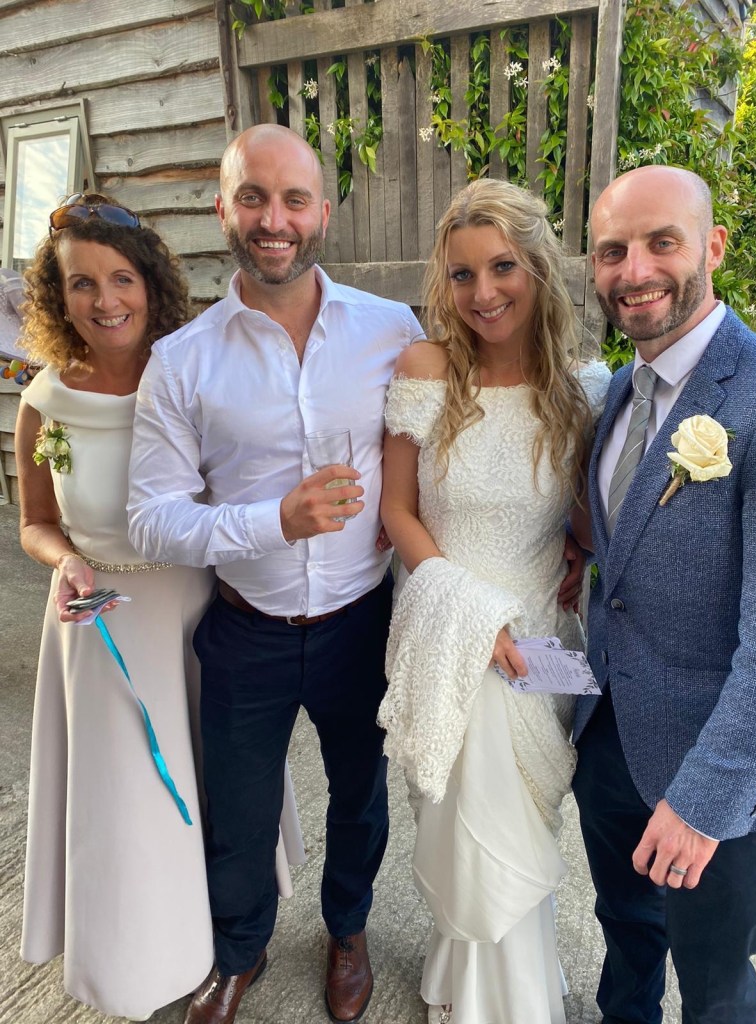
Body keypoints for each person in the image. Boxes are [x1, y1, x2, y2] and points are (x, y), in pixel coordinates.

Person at [126, 124, 424, 1024]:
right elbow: (151, 518)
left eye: (294, 199)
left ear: (323, 211)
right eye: (253, 197)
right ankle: (240, 949)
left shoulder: (391, 331)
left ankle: (348, 929)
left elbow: (442, 453)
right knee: (241, 810)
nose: (274, 220)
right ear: (223, 208)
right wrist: (275, 522)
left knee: (361, 797)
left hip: (361, 622)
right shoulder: (181, 361)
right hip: (246, 628)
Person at [15, 194, 302, 1021]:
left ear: (151, 284)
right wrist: (66, 561)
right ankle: (134, 958)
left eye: (122, 279)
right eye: (81, 284)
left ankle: (233, 939)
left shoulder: (191, 375)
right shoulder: (44, 401)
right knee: (123, 803)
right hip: (98, 618)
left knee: (224, 784)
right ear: (58, 297)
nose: (105, 301)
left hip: (196, 609)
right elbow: (35, 522)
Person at [378, 177, 611, 1024]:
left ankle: (505, 992)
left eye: (502, 266)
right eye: (463, 274)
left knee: (522, 828)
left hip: (539, 643)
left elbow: (583, 516)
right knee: (462, 831)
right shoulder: (426, 370)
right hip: (450, 632)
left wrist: (582, 551)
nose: (483, 293)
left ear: (538, 267)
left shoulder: (580, 388)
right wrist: (473, 620)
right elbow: (397, 512)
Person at [570, 164, 756, 1024]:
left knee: (715, 984)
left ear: (713, 247)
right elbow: (622, 552)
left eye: (662, 243)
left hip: (714, 769)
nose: (635, 270)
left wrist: (702, 803)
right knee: (626, 937)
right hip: (609, 737)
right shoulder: (622, 388)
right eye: (613, 251)